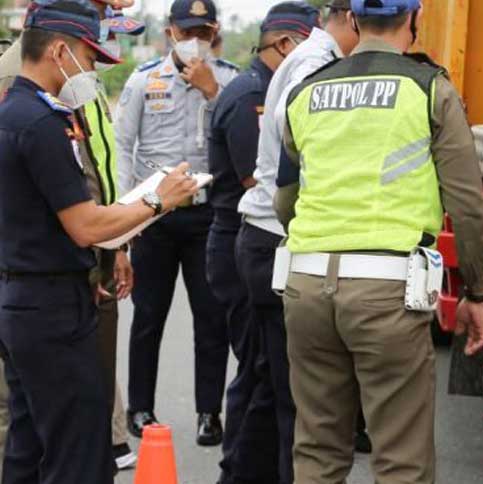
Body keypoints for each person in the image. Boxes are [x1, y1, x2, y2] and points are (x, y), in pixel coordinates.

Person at [275, 0, 483, 481]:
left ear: (353, 20)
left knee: (316, 452)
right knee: (401, 461)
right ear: (415, 19)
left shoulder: (307, 91)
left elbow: (285, 200)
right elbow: (467, 206)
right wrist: (478, 291)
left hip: (306, 286)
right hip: (387, 291)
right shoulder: (429, 89)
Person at [0, 0, 198, 481]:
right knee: (77, 452)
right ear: (59, 52)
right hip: (50, 306)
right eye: (89, 59)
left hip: (21, 297)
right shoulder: (41, 123)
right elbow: (85, 225)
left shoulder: (11, 111)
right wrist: (159, 201)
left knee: (29, 446)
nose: (90, 73)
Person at [236, 0, 368, 467]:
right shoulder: (315, 66)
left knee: (272, 388)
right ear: (352, 18)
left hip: (270, 235)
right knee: (299, 402)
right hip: (279, 235)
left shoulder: (318, 58)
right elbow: (302, 152)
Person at [115, 0, 238, 446]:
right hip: (154, 215)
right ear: (170, 32)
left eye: (203, 33)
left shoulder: (230, 80)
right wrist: (124, 221)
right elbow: (123, 146)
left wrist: (212, 92)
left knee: (211, 317)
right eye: (186, 33)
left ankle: (209, 412)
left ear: (215, 32)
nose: (194, 42)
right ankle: (141, 407)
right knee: (148, 315)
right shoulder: (143, 79)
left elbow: (244, 137)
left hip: (207, 215)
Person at [207, 3, 319, 483]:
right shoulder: (251, 94)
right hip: (244, 239)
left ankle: (246, 471)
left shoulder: (265, 87)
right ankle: (237, 469)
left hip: (251, 238)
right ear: (287, 44)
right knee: (257, 372)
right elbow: (259, 179)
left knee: (265, 376)